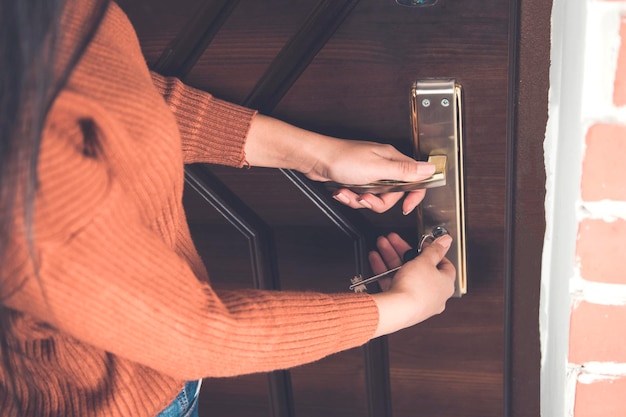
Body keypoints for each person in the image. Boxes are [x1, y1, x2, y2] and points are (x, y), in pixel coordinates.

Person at [0, 0, 456, 416]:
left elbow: (119, 95)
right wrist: (403, 307)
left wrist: (318, 155)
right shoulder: (26, 195)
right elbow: (195, 334)